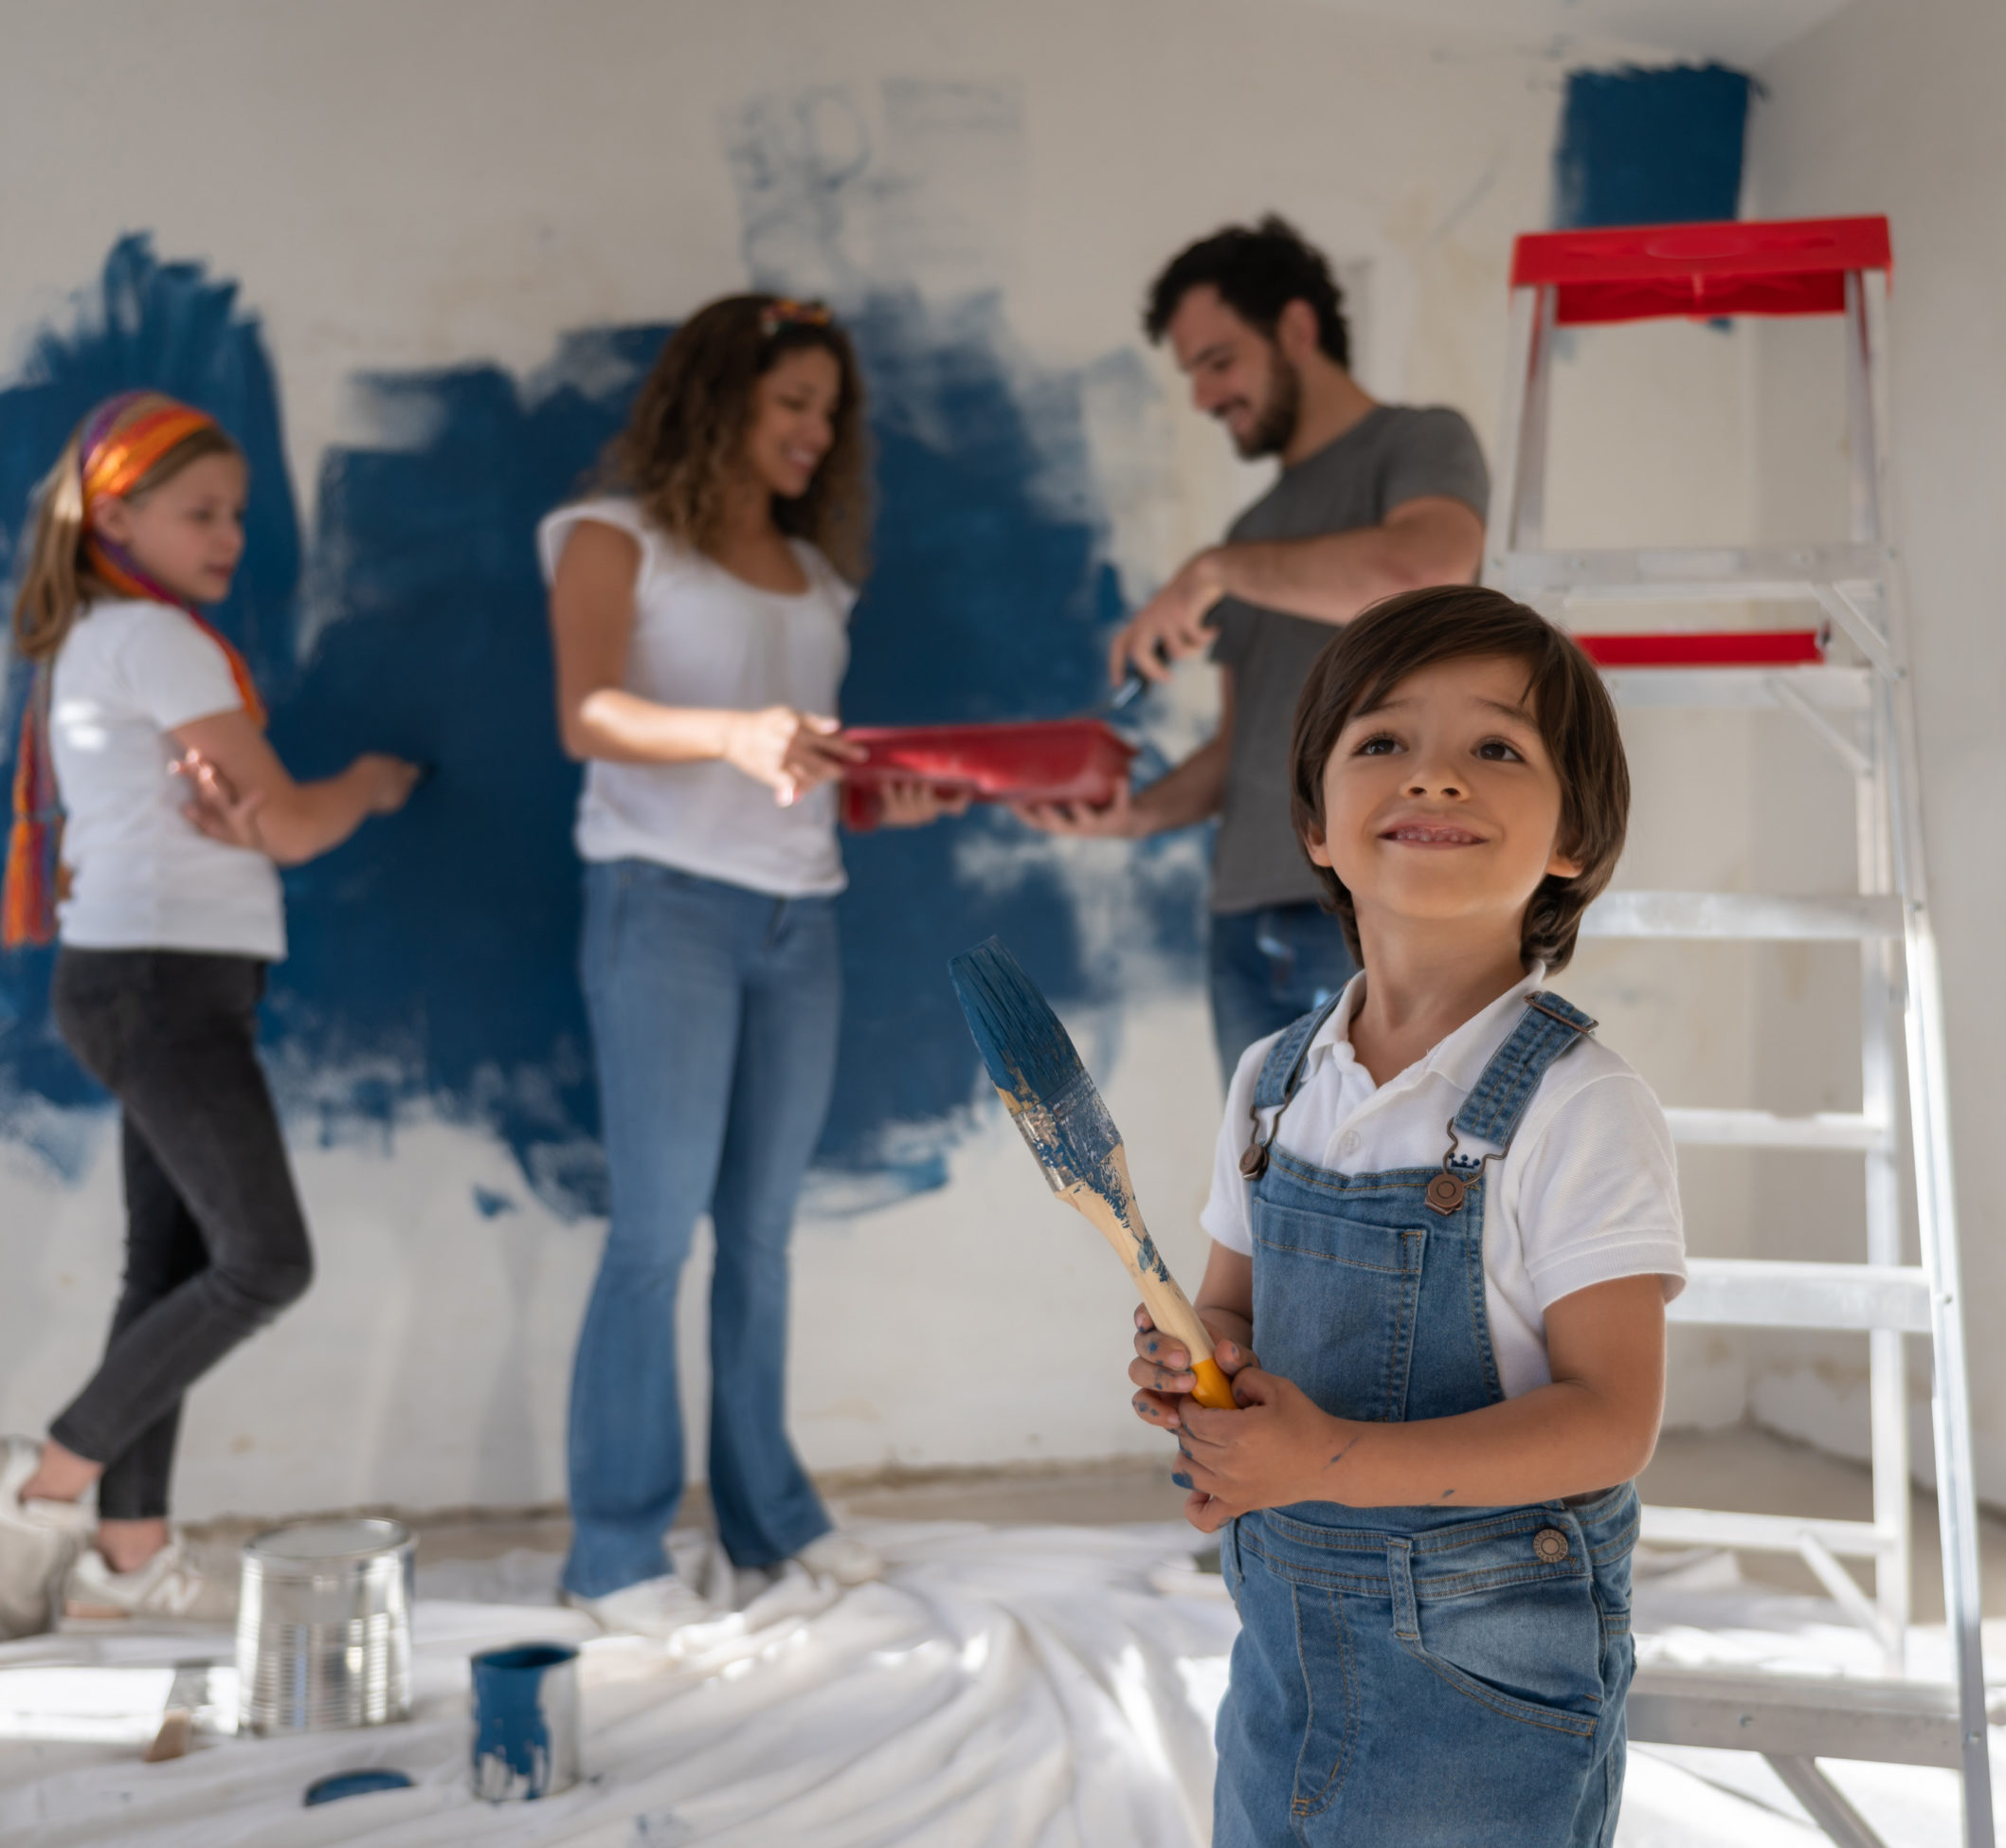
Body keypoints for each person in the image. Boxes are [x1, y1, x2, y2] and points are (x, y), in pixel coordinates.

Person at [1125, 587, 1686, 1843]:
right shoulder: (1274, 1080)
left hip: (1483, 1706)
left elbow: (1613, 1420)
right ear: (1317, 823)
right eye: (1383, 741)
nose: (1433, 778)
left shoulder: (1582, 1107)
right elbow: (1229, 1311)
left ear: (1574, 841)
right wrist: (1193, 1369)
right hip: (1283, 1672)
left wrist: (1326, 1458)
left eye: (1495, 747)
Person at [0, 391, 420, 1639]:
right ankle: (37, 1483)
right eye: (200, 510)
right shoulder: (160, 643)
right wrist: (361, 787)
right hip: (163, 981)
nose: (229, 534)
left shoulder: (105, 639)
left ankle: (130, 1559)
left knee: (169, 1270)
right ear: (117, 513)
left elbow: (255, 819)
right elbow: (299, 825)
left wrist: (266, 816)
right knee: (267, 1259)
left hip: (159, 977)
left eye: (239, 513)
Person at [541, 295, 962, 1638]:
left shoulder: (819, 577)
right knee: (656, 1234)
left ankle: (766, 1511)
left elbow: (801, 770)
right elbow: (587, 714)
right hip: (661, 910)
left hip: (803, 921)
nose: (814, 431)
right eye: (791, 402)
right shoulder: (610, 537)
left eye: (828, 410)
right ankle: (611, 1547)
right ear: (715, 397)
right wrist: (734, 733)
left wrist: (879, 797)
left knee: (764, 1240)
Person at [1021, 217, 1491, 1083]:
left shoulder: (1418, 443)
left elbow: (1427, 569)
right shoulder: (1252, 534)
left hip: (1361, 917)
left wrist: (1212, 571)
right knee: (1261, 1209)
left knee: (1369, 1198)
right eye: (1192, 371)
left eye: (1218, 360)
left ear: (1298, 331)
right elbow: (1242, 752)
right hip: (1242, 923)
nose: (1201, 396)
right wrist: (1139, 814)